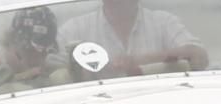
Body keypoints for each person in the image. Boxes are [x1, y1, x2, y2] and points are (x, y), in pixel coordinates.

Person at [59, 0, 208, 78]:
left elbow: (199, 57)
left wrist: (137, 61)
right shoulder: (75, 28)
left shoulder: (163, 21)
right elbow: (49, 71)